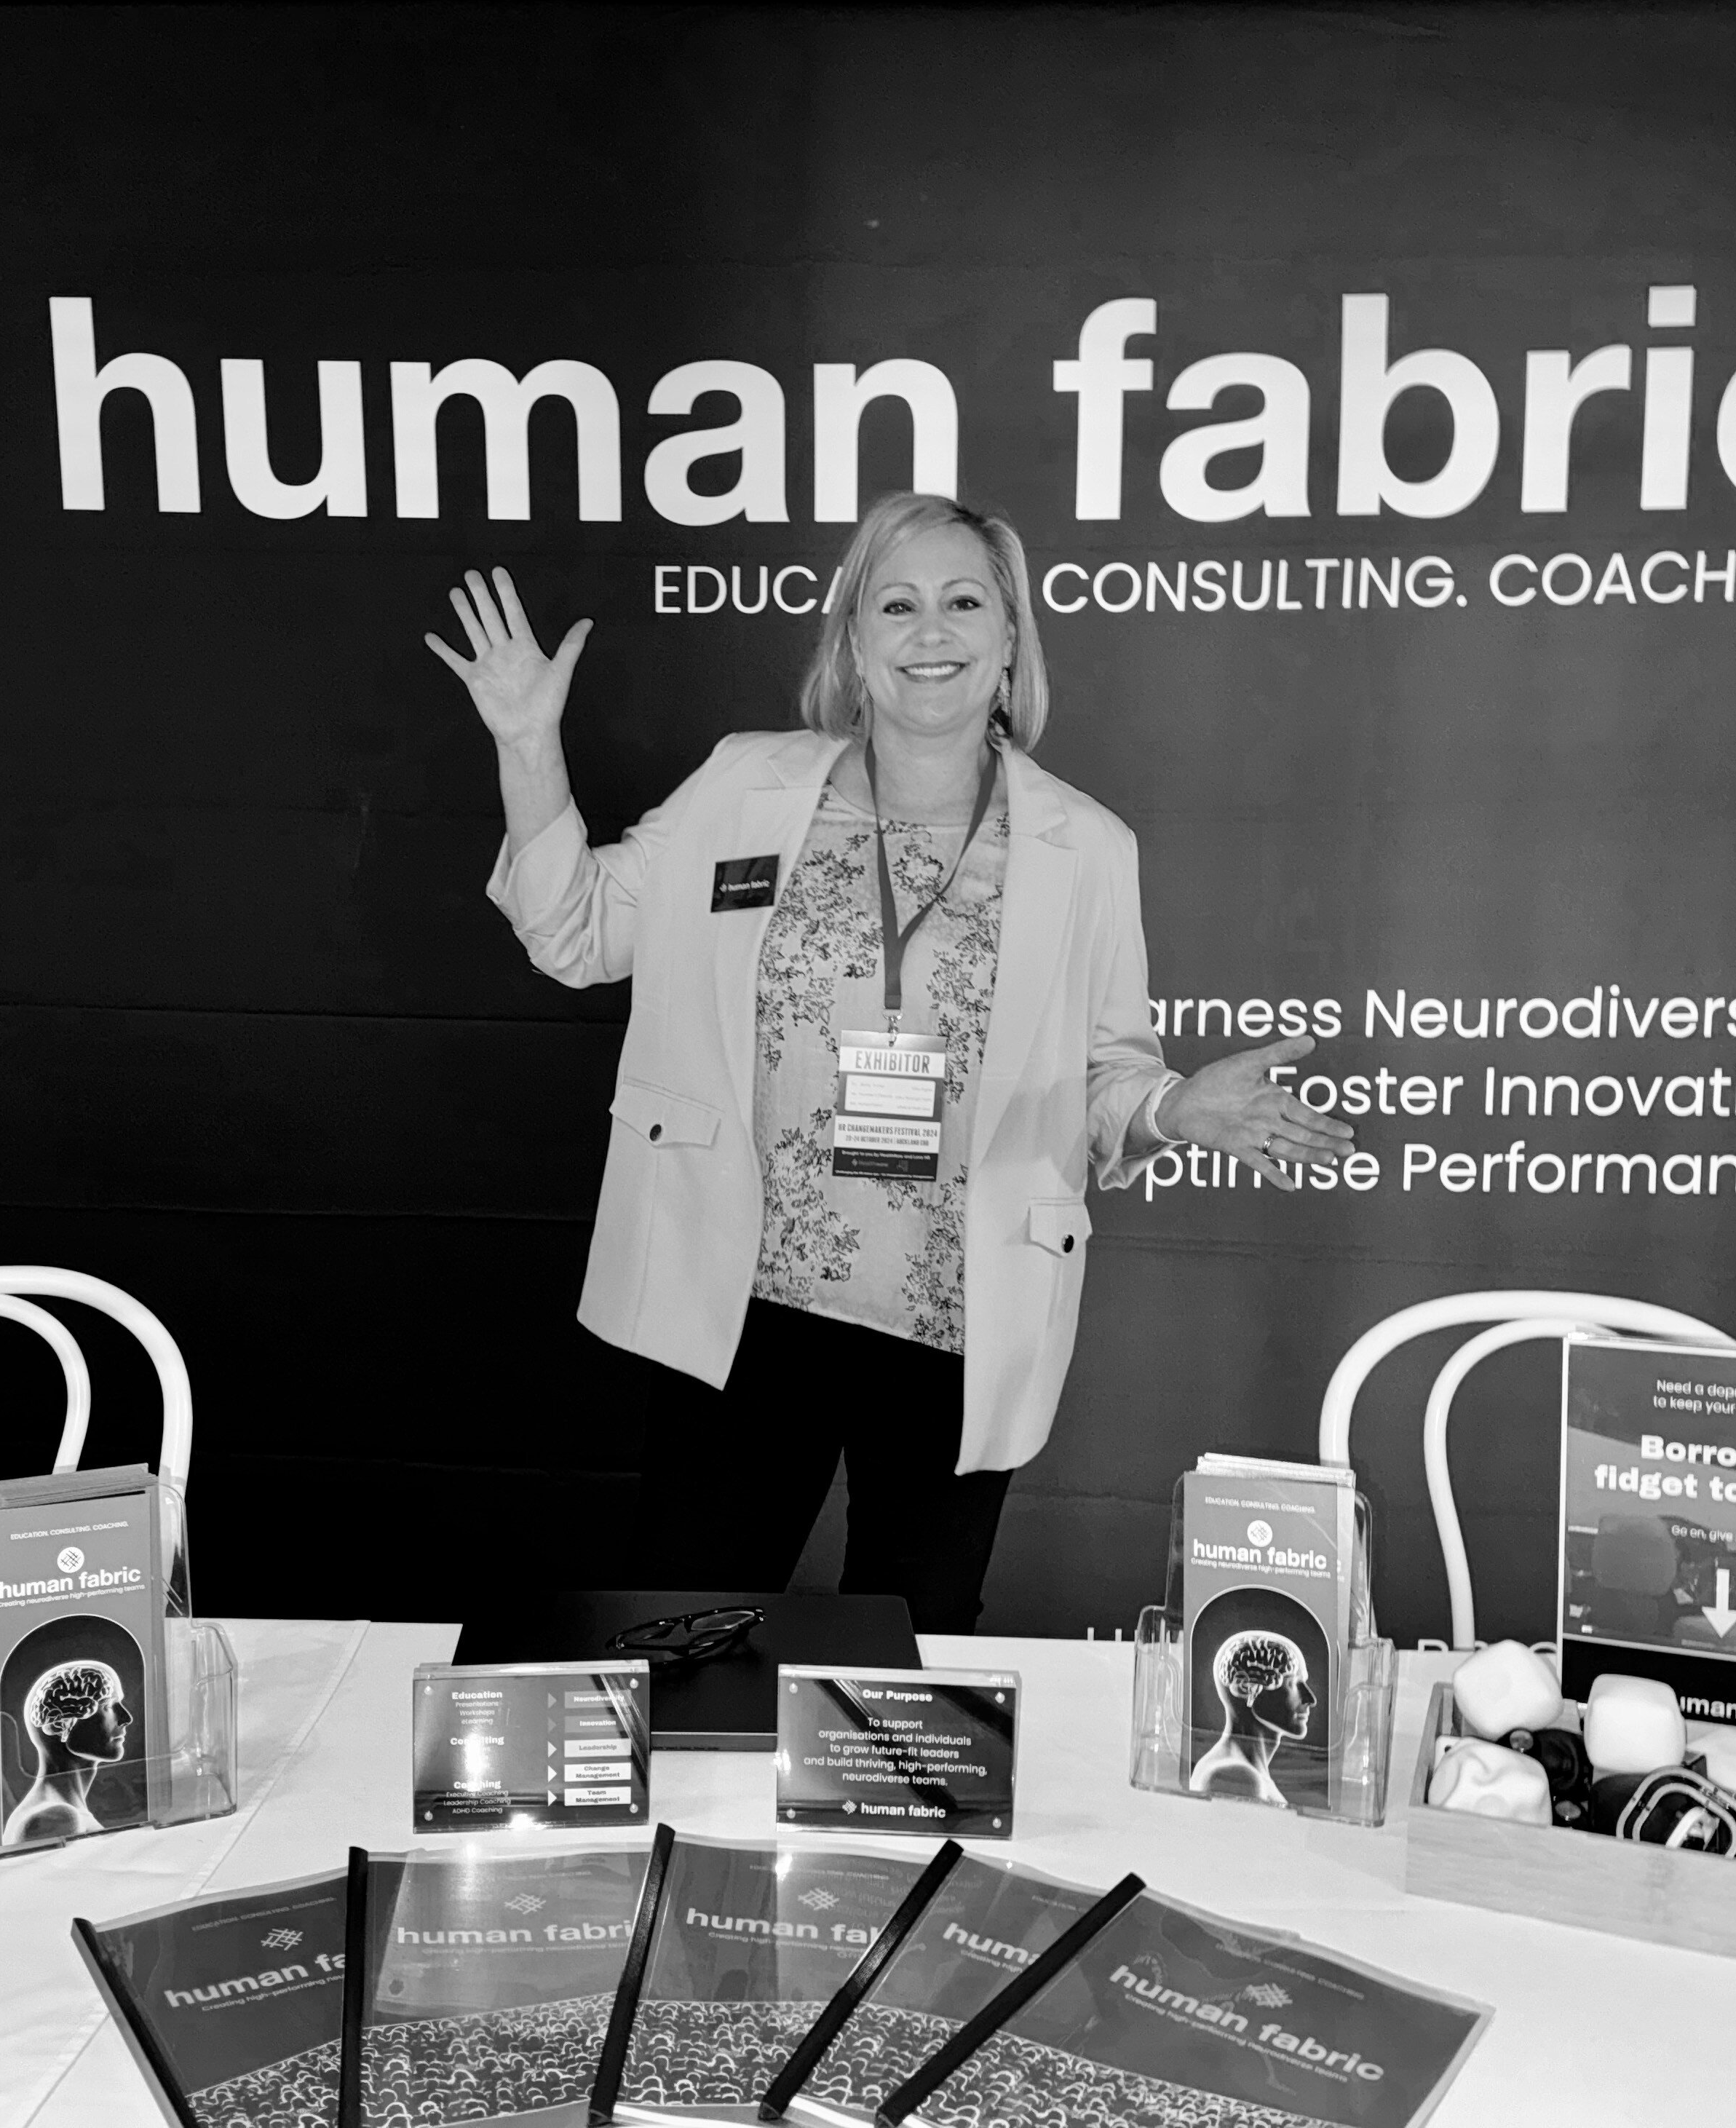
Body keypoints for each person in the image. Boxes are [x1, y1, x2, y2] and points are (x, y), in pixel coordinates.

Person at [437, 492, 1353, 1634]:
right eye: (899, 603)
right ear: (855, 642)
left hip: (958, 1314)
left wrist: (1174, 1108)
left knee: (906, 1675)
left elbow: (1106, 1078)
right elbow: (576, 933)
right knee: (677, 1639)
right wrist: (527, 744)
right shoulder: (744, 789)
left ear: (1010, 639)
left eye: (965, 602)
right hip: (745, 1302)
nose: (933, 631)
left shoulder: (1085, 850)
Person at [2, 1658, 132, 1844]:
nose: (126, 1718)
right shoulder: (56, 1818)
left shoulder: (60, 1812)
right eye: (108, 1706)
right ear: (59, 1723)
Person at [1188, 1629, 1315, 1806]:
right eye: (1292, 1683)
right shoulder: (1237, 1776)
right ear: (1245, 1687)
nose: (1310, 1699)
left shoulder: (1249, 1772)